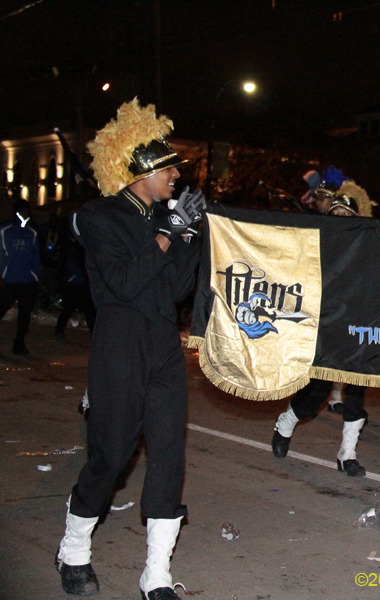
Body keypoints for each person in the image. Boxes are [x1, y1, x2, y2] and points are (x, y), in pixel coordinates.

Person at [55, 99, 204, 600]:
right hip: (119, 344)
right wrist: (165, 233)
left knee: (168, 456)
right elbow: (121, 283)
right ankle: (74, 547)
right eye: (168, 167)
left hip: (163, 344)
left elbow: (178, 289)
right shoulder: (101, 217)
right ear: (139, 170)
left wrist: (189, 236)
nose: (178, 175)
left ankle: (156, 574)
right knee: (111, 456)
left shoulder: (164, 219)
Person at [272, 180, 375, 476]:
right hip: (325, 324)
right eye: (337, 214)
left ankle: (347, 454)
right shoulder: (316, 243)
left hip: (356, 327)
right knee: (316, 391)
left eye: (347, 216)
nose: (341, 219)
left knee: (356, 391)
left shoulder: (366, 247)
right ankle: (287, 421)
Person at [0, 199, 41, 355]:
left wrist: (36, 277)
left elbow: (36, 257)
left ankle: (19, 343)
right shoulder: (4, 231)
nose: (25, 214)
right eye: (22, 211)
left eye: (27, 211)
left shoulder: (32, 233)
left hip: (27, 280)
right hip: (8, 279)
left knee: (24, 316)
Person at [54, 220, 97, 340]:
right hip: (75, 283)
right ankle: (59, 331)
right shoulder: (77, 249)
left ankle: (94, 336)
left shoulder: (86, 249)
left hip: (82, 283)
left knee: (89, 312)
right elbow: (73, 265)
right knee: (69, 308)